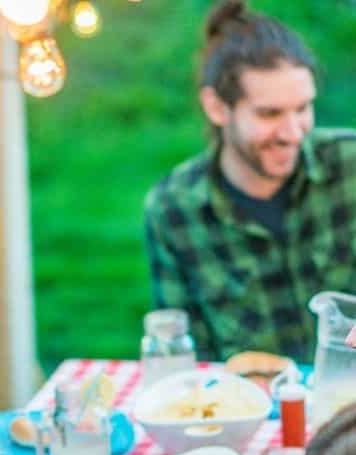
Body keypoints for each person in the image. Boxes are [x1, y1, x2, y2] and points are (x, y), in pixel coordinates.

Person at [143, 0, 356, 362]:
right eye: (269, 113)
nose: (292, 133)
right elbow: (186, 361)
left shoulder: (350, 164)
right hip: (250, 411)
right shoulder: (173, 208)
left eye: (302, 108)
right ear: (217, 108)